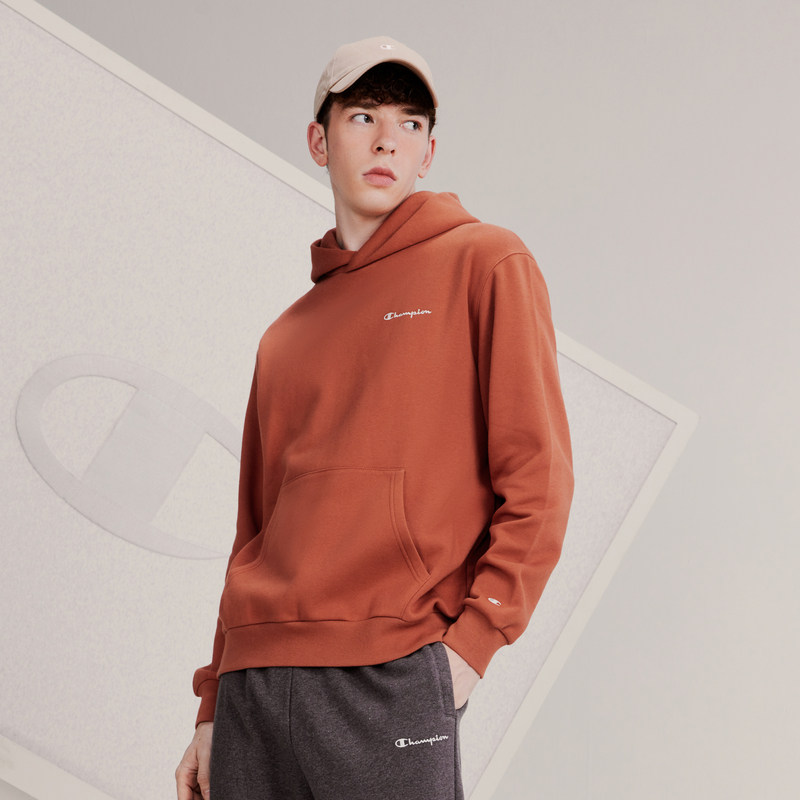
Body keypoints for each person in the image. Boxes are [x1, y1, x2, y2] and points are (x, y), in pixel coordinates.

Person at [176, 35, 574, 800]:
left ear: (428, 153)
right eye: (363, 116)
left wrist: (470, 647)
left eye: (410, 123)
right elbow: (254, 532)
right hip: (254, 684)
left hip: (389, 673)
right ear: (319, 141)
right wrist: (212, 702)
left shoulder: (486, 262)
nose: (388, 139)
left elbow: (540, 477)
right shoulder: (287, 335)